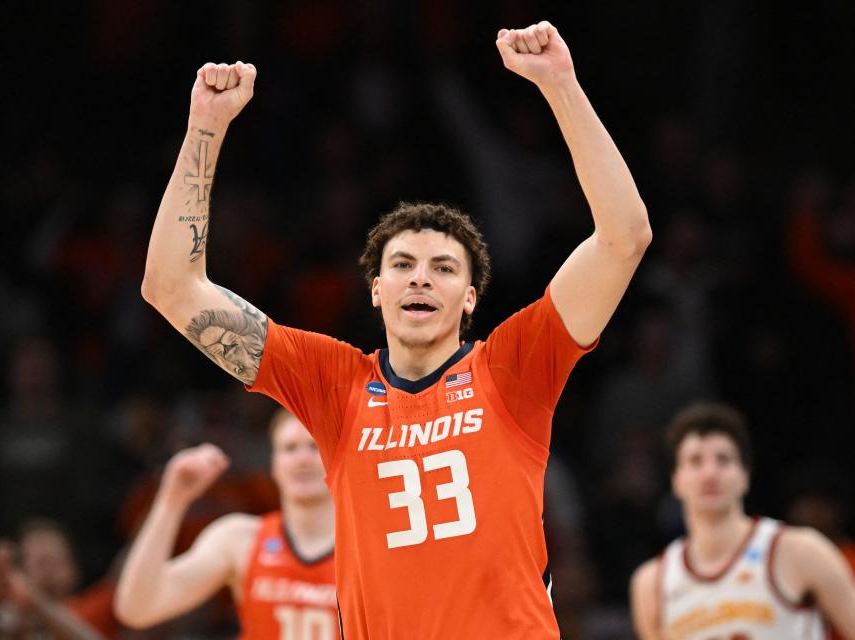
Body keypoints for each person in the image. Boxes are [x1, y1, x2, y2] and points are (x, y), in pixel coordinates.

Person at [140, 19, 651, 639]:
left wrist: (561, 85)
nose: (420, 280)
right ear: (377, 290)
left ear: (469, 298)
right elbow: (170, 287)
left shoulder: (511, 367)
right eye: (402, 266)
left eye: (442, 269)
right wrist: (205, 129)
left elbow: (625, 237)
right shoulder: (333, 384)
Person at [629, 402, 855, 640]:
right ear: (676, 480)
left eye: (723, 460)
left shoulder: (798, 551)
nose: (710, 473)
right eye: (695, 461)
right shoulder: (651, 583)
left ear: (745, 475)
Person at [114, 408, 338, 639]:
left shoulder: (367, 547)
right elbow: (137, 609)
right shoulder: (240, 539)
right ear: (273, 463)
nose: (302, 459)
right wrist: (172, 501)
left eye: (315, 446)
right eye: (289, 448)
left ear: (338, 458)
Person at [0, 521, 105, 640]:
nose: (48, 572)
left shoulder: (89, 608)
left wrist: (36, 601)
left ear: (74, 571)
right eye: (40, 563)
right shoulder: (8, 614)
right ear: (21, 571)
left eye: (55, 562)